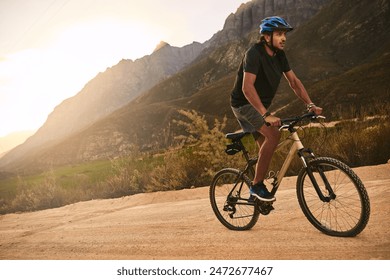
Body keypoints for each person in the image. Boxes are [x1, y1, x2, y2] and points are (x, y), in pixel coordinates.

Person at [230, 16, 323, 202]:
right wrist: (266, 114)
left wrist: (310, 104)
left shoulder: (280, 56)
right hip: (243, 104)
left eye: (284, 34)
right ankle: (256, 186)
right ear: (266, 37)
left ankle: (258, 190)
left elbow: (294, 82)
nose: (284, 38)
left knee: (267, 145)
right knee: (273, 135)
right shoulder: (254, 53)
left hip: (259, 105)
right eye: (279, 34)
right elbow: (247, 88)